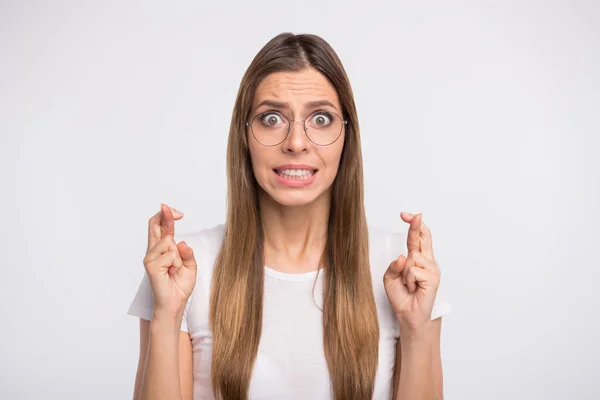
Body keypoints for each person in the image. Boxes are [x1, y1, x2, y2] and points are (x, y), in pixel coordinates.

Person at [127, 32, 451, 400]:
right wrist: (167, 317)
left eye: (321, 118)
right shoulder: (186, 267)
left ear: (347, 135)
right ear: (244, 135)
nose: (296, 142)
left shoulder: (401, 269)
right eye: (271, 118)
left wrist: (416, 328)